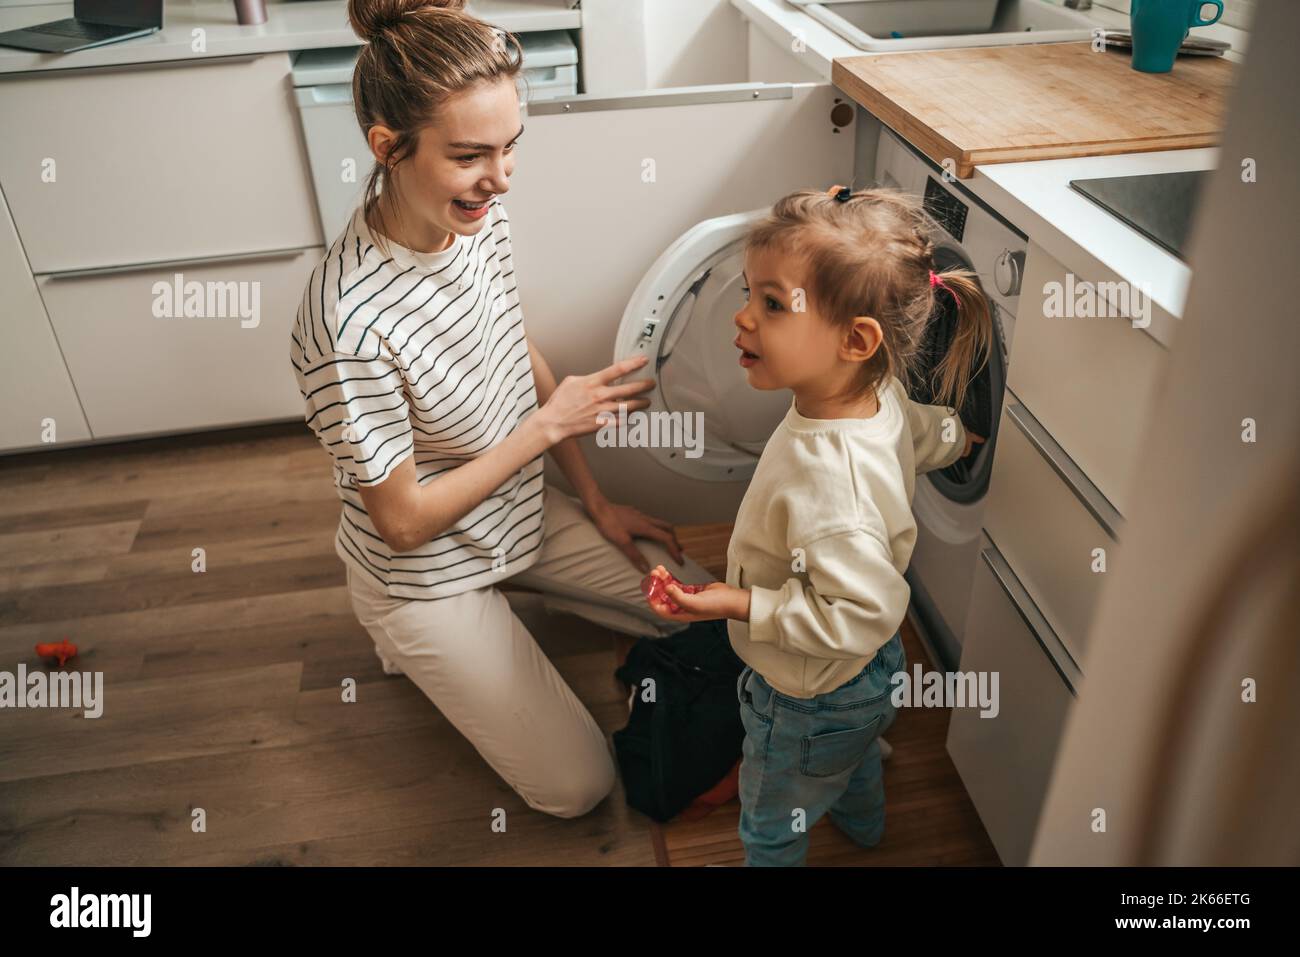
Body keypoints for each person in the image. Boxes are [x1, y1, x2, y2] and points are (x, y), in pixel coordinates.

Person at [288, 0, 713, 819]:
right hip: (421, 569)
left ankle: (521, 591)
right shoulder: (347, 321)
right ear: (388, 148)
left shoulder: (478, 220)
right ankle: (413, 635)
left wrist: (594, 501)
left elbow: (516, 347)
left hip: (515, 511)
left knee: (697, 602)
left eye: (511, 146)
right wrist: (547, 428)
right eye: (471, 155)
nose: (502, 177)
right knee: (577, 788)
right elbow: (403, 524)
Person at [646, 185, 990, 865]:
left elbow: (860, 612)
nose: (741, 319)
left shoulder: (831, 483)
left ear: (855, 339)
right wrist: (960, 435)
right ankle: (864, 824)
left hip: (807, 694)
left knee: (771, 820)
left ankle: (839, 802)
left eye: (773, 304)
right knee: (849, 758)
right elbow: (920, 434)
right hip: (861, 676)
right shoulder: (876, 396)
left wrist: (737, 603)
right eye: (750, 294)